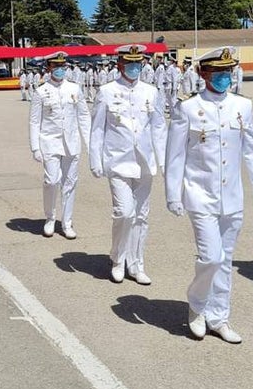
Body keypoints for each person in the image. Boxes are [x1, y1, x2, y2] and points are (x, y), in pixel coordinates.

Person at [165, 47, 253, 343]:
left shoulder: (242, 105)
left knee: (225, 260)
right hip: (200, 195)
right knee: (211, 258)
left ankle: (219, 317)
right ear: (203, 73)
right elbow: (175, 155)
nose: (224, 77)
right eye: (218, 72)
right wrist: (173, 194)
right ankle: (197, 306)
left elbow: (252, 149)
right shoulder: (188, 107)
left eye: (228, 71)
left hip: (232, 197)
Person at [90, 44, 167, 284]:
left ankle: (136, 264)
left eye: (138, 63)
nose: (134, 67)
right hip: (118, 161)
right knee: (124, 212)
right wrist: (95, 159)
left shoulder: (151, 91)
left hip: (144, 162)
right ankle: (118, 259)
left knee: (141, 216)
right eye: (130, 63)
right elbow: (97, 129)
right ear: (120, 65)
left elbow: (158, 128)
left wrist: (164, 161)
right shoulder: (106, 91)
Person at [29, 52, 91, 239]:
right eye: (56, 66)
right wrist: (35, 147)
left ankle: (67, 222)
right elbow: (34, 121)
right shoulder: (41, 91)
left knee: (70, 183)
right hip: (50, 142)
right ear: (48, 68)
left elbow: (83, 116)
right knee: (51, 181)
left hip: (71, 142)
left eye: (62, 66)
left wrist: (90, 143)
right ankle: (50, 218)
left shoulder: (74, 88)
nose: (59, 70)